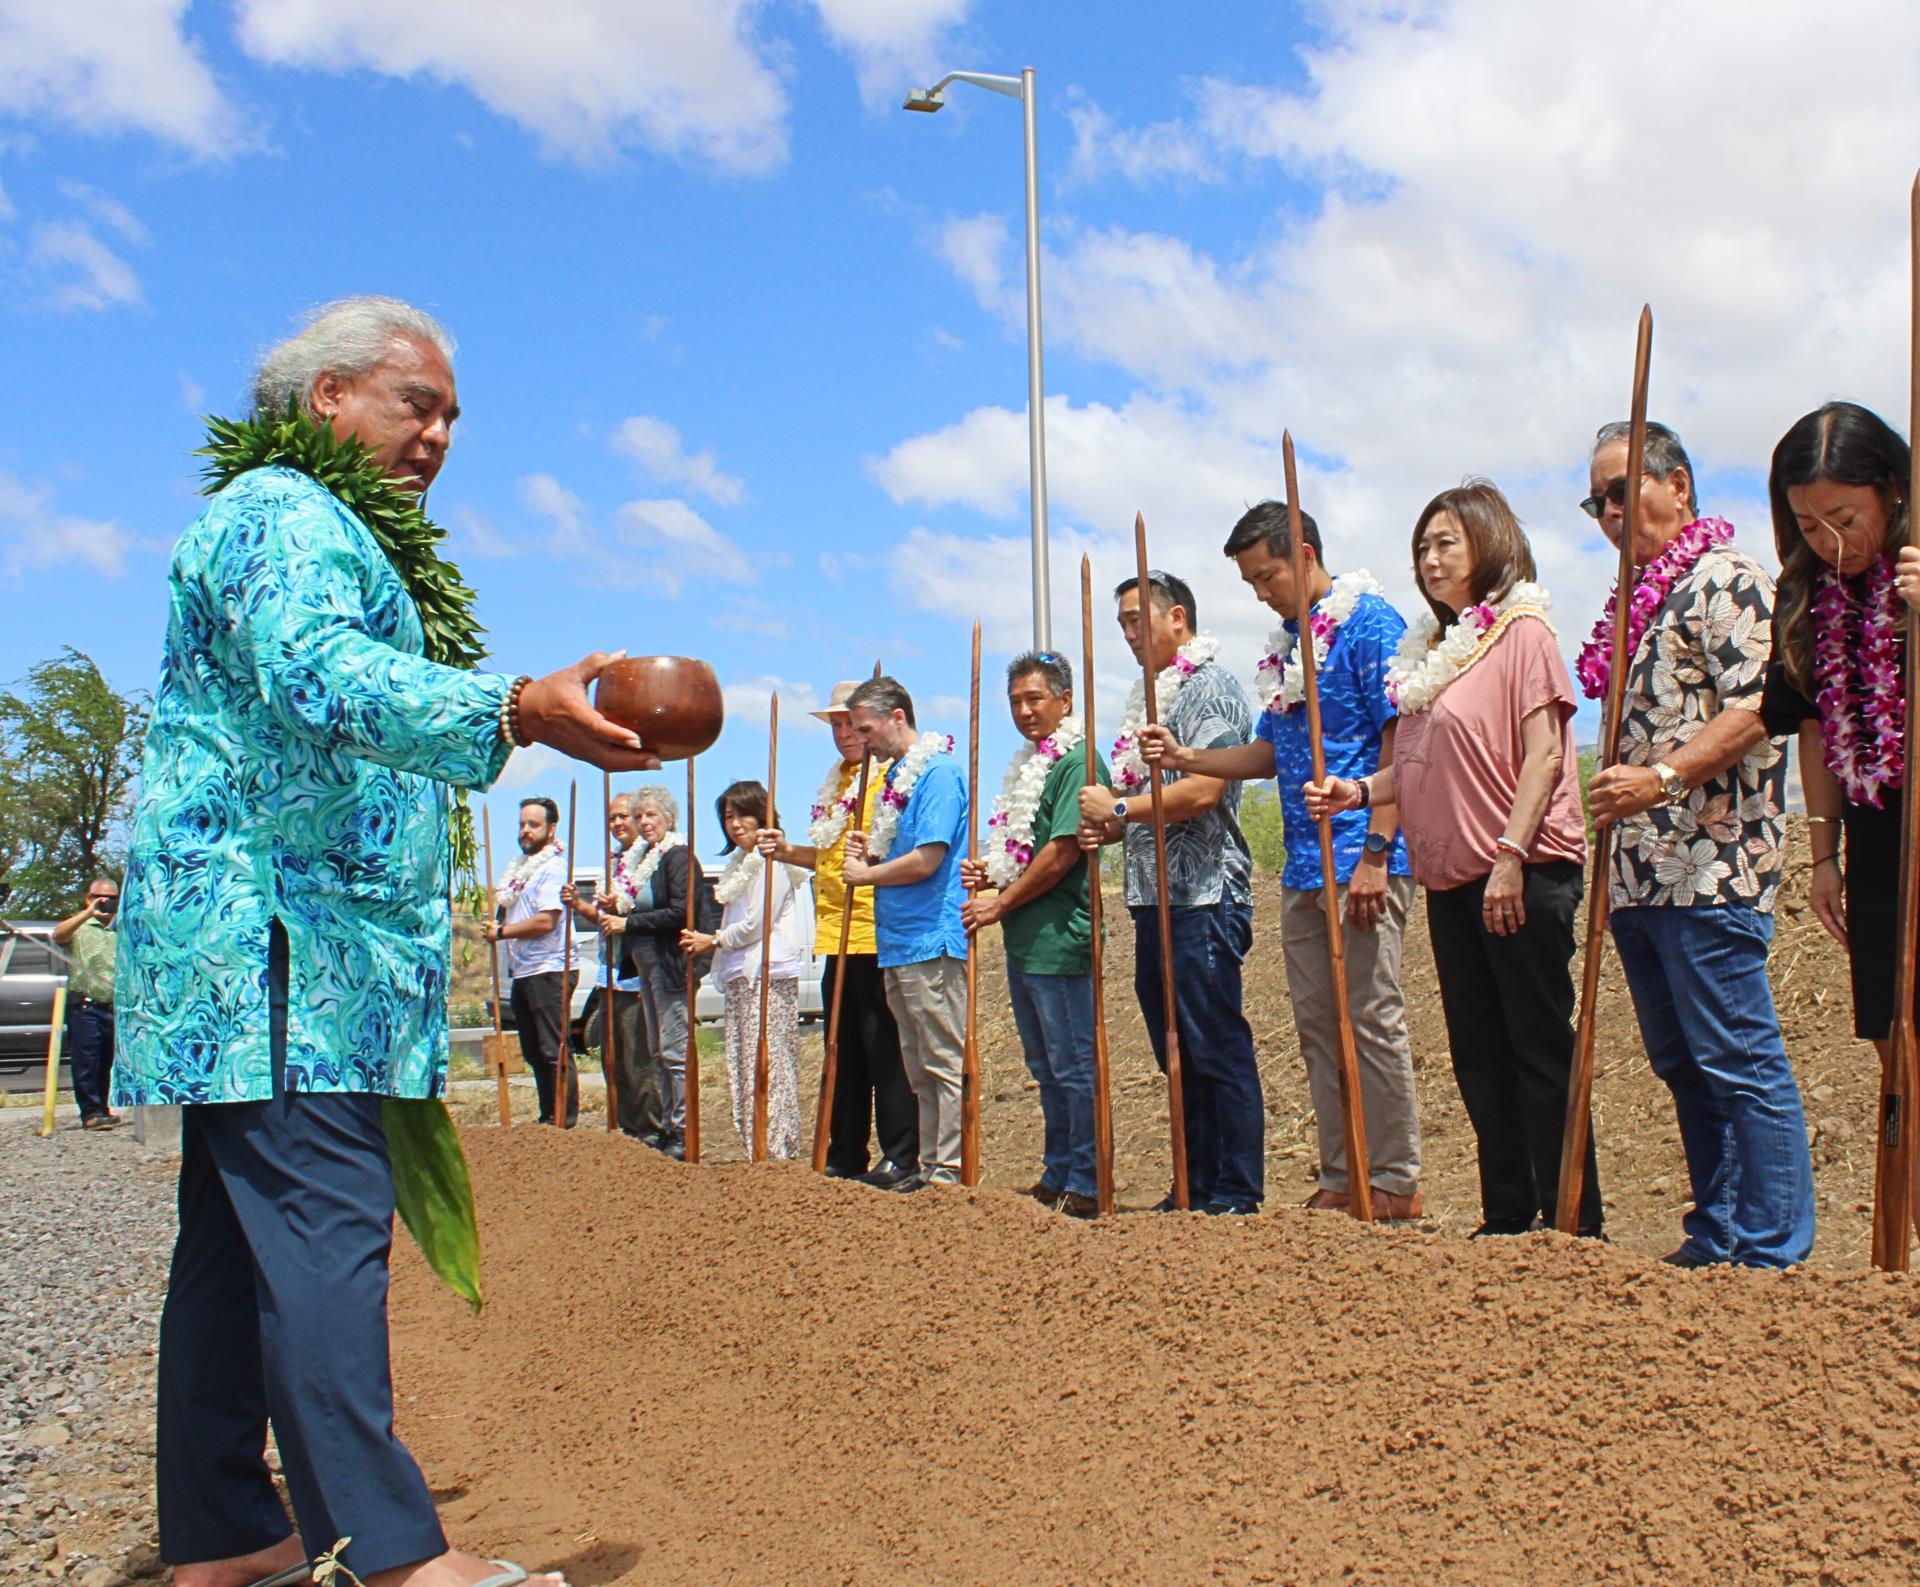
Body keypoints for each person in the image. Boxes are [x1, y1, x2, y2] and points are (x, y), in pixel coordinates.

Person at [112, 294, 654, 1587]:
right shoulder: (289, 515)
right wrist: (517, 702)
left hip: (266, 944)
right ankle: (389, 1548)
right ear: (327, 400)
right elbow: (320, 672)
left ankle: (228, 1529)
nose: (442, 433)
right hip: (282, 940)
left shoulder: (286, 520)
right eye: (420, 403)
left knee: (233, 1241)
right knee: (321, 1222)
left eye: (455, 413)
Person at [1307, 480, 1598, 1237]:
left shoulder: (1523, 634)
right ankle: (1507, 1212)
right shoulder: (1430, 656)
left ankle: (1572, 1220)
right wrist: (1354, 788)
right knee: (1478, 1051)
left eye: (1446, 543)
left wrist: (1510, 854)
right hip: (1452, 878)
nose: (1430, 560)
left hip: (1521, 871)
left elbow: (1543, 758)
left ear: (1489, 542)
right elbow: (1414, 769)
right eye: (1422, 548)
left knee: (1537, 1046)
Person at [1138, 502, 1422, 1219]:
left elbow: (1399, 741)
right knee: (1318, 1023)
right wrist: (1187, 756)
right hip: (1301, 863)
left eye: (1267, 575)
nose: (1261, 592)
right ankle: (1339, 1172)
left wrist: (1377, 855)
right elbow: (1269, 752)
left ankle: (1391, 1177)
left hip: (1360, 851)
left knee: (1371, 1016)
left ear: (1303, 551)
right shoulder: (1290, 647)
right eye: (1250, 582)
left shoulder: (1371, 624)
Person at [1580, 421, 1813, 1268]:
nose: (1608, 511)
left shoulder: (1732, 580)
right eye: (1596, 500)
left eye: (1622, 488)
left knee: (1739, 1057)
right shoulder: (1631, 608)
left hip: (1712, 864)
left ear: (1679, 486)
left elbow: (1759, 707)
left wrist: (1665, 779)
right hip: (1643, 876)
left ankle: (1769, 1246)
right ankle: (1716, 1232)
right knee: (1683, 1062)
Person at [1765, 404, 1918, 1227]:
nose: (1830, 539)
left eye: (1846, 517)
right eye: (1807, 523)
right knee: (1902, 1050)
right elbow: (1816, 726)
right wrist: (1823, 856)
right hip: (1880, 851)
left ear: (1893, 490)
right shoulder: (1809, 592)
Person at [1076, 571, 1264, 1215]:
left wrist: (1122, 809)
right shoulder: (1149, 697)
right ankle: (1196, 1181)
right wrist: (1112, 820)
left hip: (1205, 895)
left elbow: (1203, 791)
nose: (1129, 634)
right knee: (1175, 1046)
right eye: (1121, 623)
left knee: (1212, 1040)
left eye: (1137, 619)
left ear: (1177, 618)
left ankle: (1235, 1190)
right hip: (1155, 898)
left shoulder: (1209, 687)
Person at [960, 652, 1109, 1219]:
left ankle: (1090, 1180)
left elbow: (1062, 850)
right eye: (1016, 701)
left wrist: (1002, 900)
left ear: (1065, 701)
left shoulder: (1076, 759)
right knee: (1044, 1065)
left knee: (1073, 1064)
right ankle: (1059, 1169)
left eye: (1035, 699)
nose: (1024, 710)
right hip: (1027, 938)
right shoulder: (1029, 763)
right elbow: (1021, 847)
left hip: (1058, 937)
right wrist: (992, 871)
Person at [755, 681, 919, 1187]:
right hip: (834, 934)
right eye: (836, 726)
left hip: (878, 931)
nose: (844, 734)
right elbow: (827, 856)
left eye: (851, 724)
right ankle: (846, 1148)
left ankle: (901, 1153)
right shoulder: (840, 781)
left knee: (886, 1050)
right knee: (842, 1049)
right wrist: (788, 851)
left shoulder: (898, 774)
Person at [841, 676, 968, 1191]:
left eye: (866, 728)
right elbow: (899, 852)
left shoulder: (936, 773)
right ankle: (928, 1163)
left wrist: (867, 875)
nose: (862, 739)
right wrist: (870, 853)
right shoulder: (896, 780)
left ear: (898, 717)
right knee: (917, 1064)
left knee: (940, 1060)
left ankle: (947, 1169)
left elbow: (927, 859)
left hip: (928, 938)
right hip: (896, 941)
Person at [682, 781, 811, 1160]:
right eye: (727, 817)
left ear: (762, 816)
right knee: (742, 1061)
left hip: (766, 973)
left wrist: (714, 940)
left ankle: (776, 1148)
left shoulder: (773, 861)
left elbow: (758, 922)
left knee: (768, 1061)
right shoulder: (738, 865)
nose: (735, 824)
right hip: (741, 974)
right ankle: (754, 1144)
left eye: (742, 815)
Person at [567, 787, 692, 1154]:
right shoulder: (621, 863)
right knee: (620, 1057)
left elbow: (667, 912)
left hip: (652, 970)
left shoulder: (664, 860)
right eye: (616, 818)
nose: (625, 823)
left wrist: (623, 919)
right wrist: (587, 906)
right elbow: (613, 918)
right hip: (621, 969)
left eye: (632, 816)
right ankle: (636, 1131)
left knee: (653, 1059)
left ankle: (662, 1130)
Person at [487, 797, 577, 1128]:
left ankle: (563, 1122)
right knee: (534, 1051)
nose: (525, 830)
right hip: (524, 969)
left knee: (553, 1051)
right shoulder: (522, 869)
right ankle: (547, 1116)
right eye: (522, 824)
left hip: (550, 967)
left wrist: (504, 931)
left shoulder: (552, 868)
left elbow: (546, 921)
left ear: (551, 829)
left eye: (533, 824)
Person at [53, 876, 121, 1130]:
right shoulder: (79, 926)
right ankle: (91, 1112)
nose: (107, 903)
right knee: (87, 1061)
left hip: (111, 1006)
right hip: (85, 1006)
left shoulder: (118, 929)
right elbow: (58, 935)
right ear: (89, 898)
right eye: (101, 898)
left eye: (113, 899)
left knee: (105, 1061)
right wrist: (88, 912)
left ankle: (103, 1109)